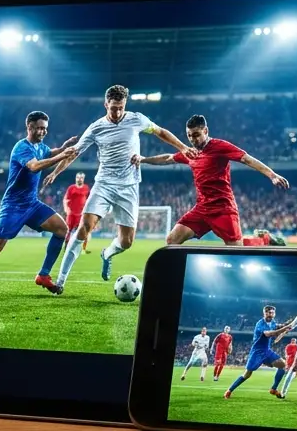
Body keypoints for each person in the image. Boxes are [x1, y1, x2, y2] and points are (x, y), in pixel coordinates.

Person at [43, 85, 191, 290]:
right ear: (106, 105)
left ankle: (107, 253)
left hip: (129, 186)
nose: (117, 112)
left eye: (121, 107)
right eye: (113, 108)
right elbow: (74, 153)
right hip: (103, 184)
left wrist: (183, 147)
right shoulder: (96, 127)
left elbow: (160, 131)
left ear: (125, 105)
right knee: (84, 227)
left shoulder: (136, 119)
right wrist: (55, 172)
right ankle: (60, 281)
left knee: (127, 241)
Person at [0, 111, 77, 296]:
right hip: (13, 207)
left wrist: (63, 148)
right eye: (39, 128)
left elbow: (49, 153)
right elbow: (34, 166)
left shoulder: (40, 146)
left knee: (61, 229)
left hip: (32, 204)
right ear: (29, 127)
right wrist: (62, 156)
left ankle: (43, 275)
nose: (43, 132)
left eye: (45, 129)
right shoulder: (21, 148)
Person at [132, 115, 290, 247]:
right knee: (172, 240)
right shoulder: (190, 153)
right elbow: (167, 158)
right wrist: (144, 159)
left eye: (196, 135)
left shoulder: (220, 146)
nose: (192, 139)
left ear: (205, 131)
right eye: (189, 135)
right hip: (202, 209)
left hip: (223, 208)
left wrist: (272, 175)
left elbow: (247, 159)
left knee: (237, 250)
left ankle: (264, 240)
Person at [224, 304, 296, 399]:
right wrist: (285, 328)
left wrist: (288, 323)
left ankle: (273, 389)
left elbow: (277, 326)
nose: (269, 314)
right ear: (264, 313)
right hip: (257, 352)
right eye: (267, 312)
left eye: (271, 312)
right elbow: (271, 333)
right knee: (247, 374)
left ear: (274, 314)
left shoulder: (273, 322)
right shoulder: (260, 324)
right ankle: (229, 390)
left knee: (283, 365)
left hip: (267, 351)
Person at [63, 172, 92, 255]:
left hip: (81, 214)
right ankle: (66, 248)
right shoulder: (71, 188)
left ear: (83, 179)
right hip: (71, 214)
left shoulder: (86, 188)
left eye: (81, 178)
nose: (79, 179)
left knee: (85, 231)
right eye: (78, 177)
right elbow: (66, 199)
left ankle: (83, 249)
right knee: (68, 231)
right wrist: (67, 209)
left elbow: (88, 200)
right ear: (76, 178)